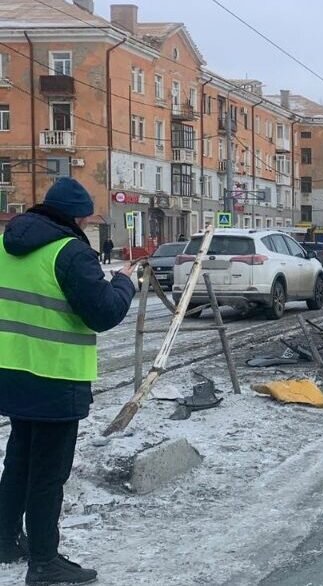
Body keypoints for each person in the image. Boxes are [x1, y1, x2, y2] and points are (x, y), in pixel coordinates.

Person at [0, 178, 136, 584]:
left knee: (19, 460)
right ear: (77, 217)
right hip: (56, 376)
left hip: (12, 370)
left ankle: (5, 541)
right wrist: (125, 282)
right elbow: (103, 313)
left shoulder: (7, 246)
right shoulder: (71, 252)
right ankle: (44, 561)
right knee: (48, 472)